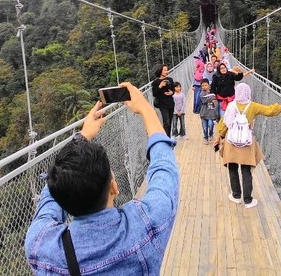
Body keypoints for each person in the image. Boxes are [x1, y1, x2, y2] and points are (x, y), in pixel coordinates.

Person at [25, 82, 179, 275]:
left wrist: (81, 137)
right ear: (114, 187)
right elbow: (164, 170)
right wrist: (146, 109)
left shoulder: (41, 246)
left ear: (61, 198)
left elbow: (52, 193)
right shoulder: (144, 225)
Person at [214, 83, 281, 208]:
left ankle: (236, 196)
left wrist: (218, 137)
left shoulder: (231, 105)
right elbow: (270, 110)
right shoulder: (253, 106)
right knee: (246, 171)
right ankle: (248, 200)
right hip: (246, 143)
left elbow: (223, 124)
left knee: (232, 169)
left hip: (231, 142)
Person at [151, 64, 175, 136]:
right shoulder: (155, 82)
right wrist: (160, 86)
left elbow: (173, 90)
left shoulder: (170, 79)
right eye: (164, 70)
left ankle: (168, 137)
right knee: (166, 122)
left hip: (170, 103)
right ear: (160, 71)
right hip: (162, 104)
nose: (166, 71)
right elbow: (154, 94)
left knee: (170, 122)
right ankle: (166, 138)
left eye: (167, 70)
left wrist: (171, 92)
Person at [198, 78, 218, 144]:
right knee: (205, 126)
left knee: (210, 124)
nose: (204, 87)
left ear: (208, 85)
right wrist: (212, 97)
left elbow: (215, 99)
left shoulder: (213, 91)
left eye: (205, 85)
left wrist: (209, 97)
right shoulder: (201, 93)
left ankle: (211, 134)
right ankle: (205, 137)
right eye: (202, 86)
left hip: (211, 113)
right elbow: (204, 100)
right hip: (204, 113)